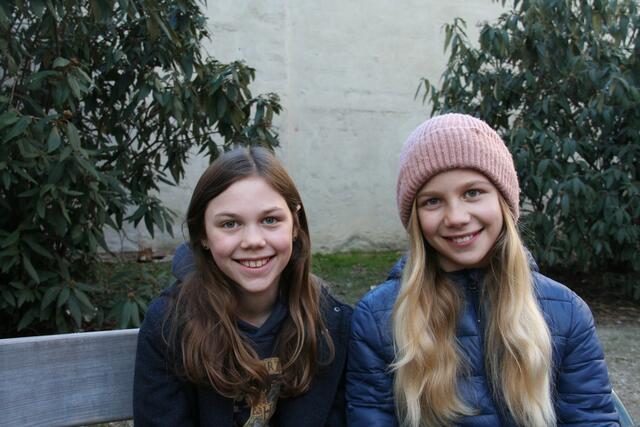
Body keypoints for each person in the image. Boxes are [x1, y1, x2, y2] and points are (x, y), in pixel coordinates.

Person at [346, 113, 620, 426]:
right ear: (415, 219)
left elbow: (591, 418)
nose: (456, 216)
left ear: (504, 200)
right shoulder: (379, 318)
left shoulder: (566, 312)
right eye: (432, 201)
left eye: (472, 192)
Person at [134, 146, 352, 427]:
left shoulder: (332, 322)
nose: (253, 240)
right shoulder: (168, 325)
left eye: (270, 220)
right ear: (202, 235)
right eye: (230, 224)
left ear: (295, 224)